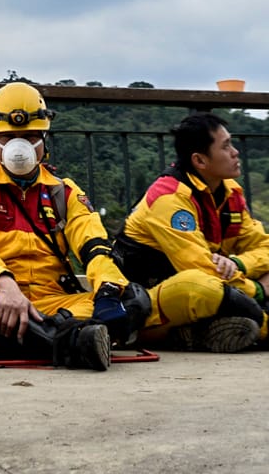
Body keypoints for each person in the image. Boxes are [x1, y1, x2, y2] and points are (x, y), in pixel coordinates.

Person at [0, 82, 148, 370]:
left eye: (30, 137)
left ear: (44, 139)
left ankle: (4, 343)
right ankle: (71, 341)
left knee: (134, 298)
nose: (19, 148)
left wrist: (107, 289)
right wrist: (5, 285)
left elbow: (95, 246)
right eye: (8, 138)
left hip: (54, 302)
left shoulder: (64, 192)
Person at [113, 112, 269, 352]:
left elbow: (263, 246)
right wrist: (258, 290)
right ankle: (259, 324)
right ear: (200, 161)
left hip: (221, 285)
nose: (235, 152)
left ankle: (197, 332)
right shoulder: (169, 197)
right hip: (151, 296)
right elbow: (202, 269)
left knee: (215, 290)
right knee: (202, 286)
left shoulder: (230, 191)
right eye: (226, 146)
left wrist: (238, 263)